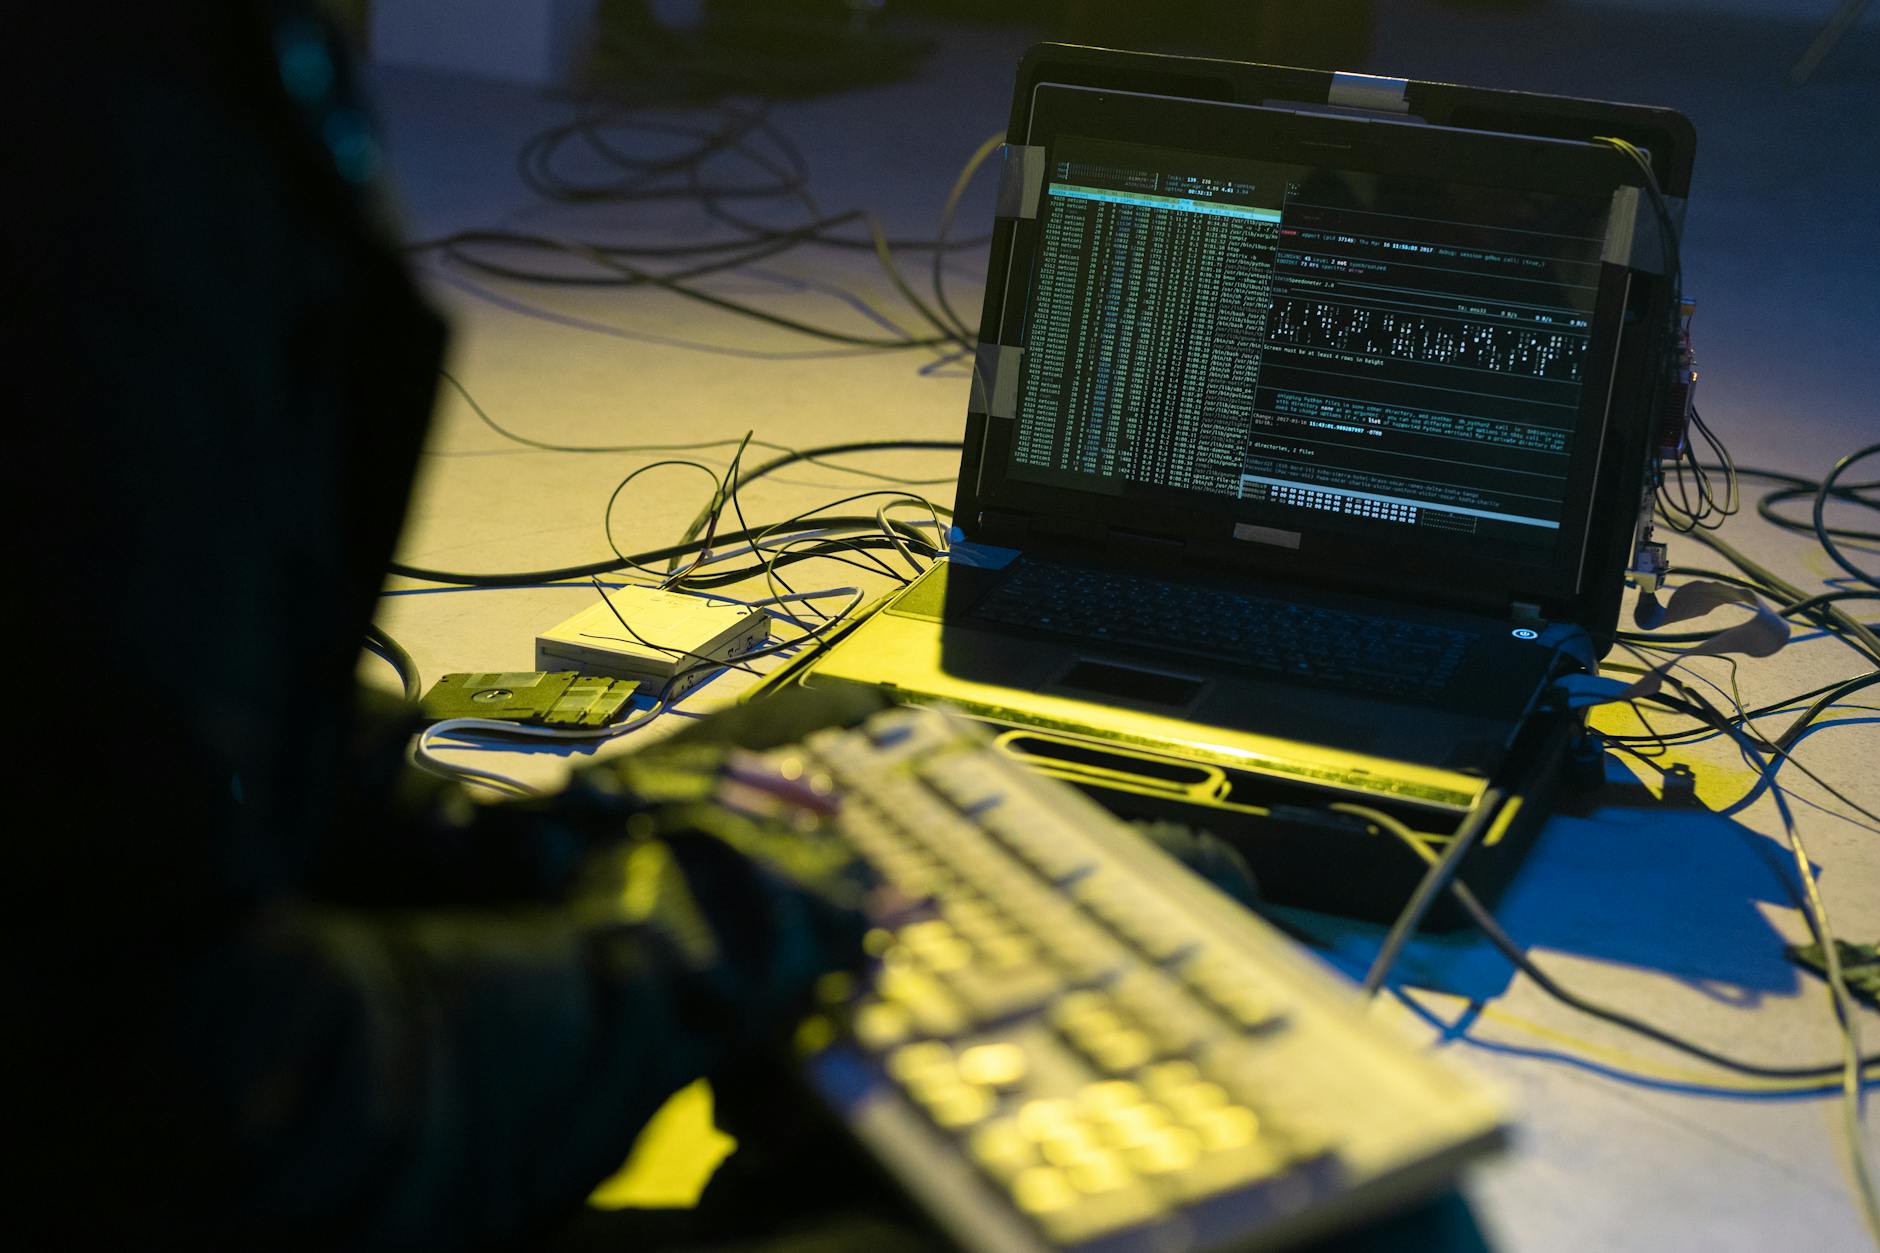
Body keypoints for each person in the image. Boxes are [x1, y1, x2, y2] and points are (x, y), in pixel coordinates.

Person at [8, 6, 912, 1249]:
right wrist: (680, 947)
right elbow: (194, 1109)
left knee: (836, 730)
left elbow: (116, 751)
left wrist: (539, 841)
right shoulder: (87, 112)